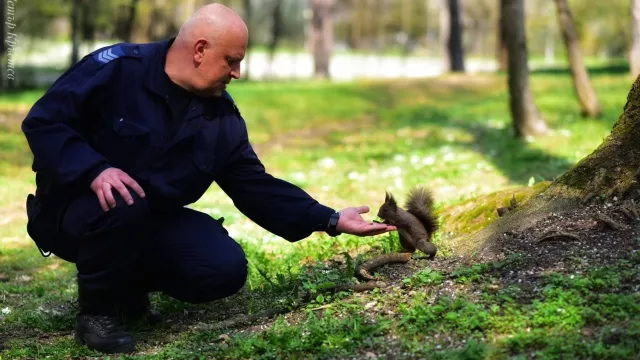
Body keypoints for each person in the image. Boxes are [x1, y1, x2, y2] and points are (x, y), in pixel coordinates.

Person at [21, 3, 396, 355]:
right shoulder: (117, 69)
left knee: (221, 268)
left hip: (147, 218)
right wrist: (95, 169)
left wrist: (329, 218)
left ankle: (127, 290)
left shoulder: (220, 117)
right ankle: (97, 312)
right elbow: (44, 122)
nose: (237, 73)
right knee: (122, 201)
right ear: (200, 49)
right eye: (231, 61)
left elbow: (253, 184)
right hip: (73, 212)